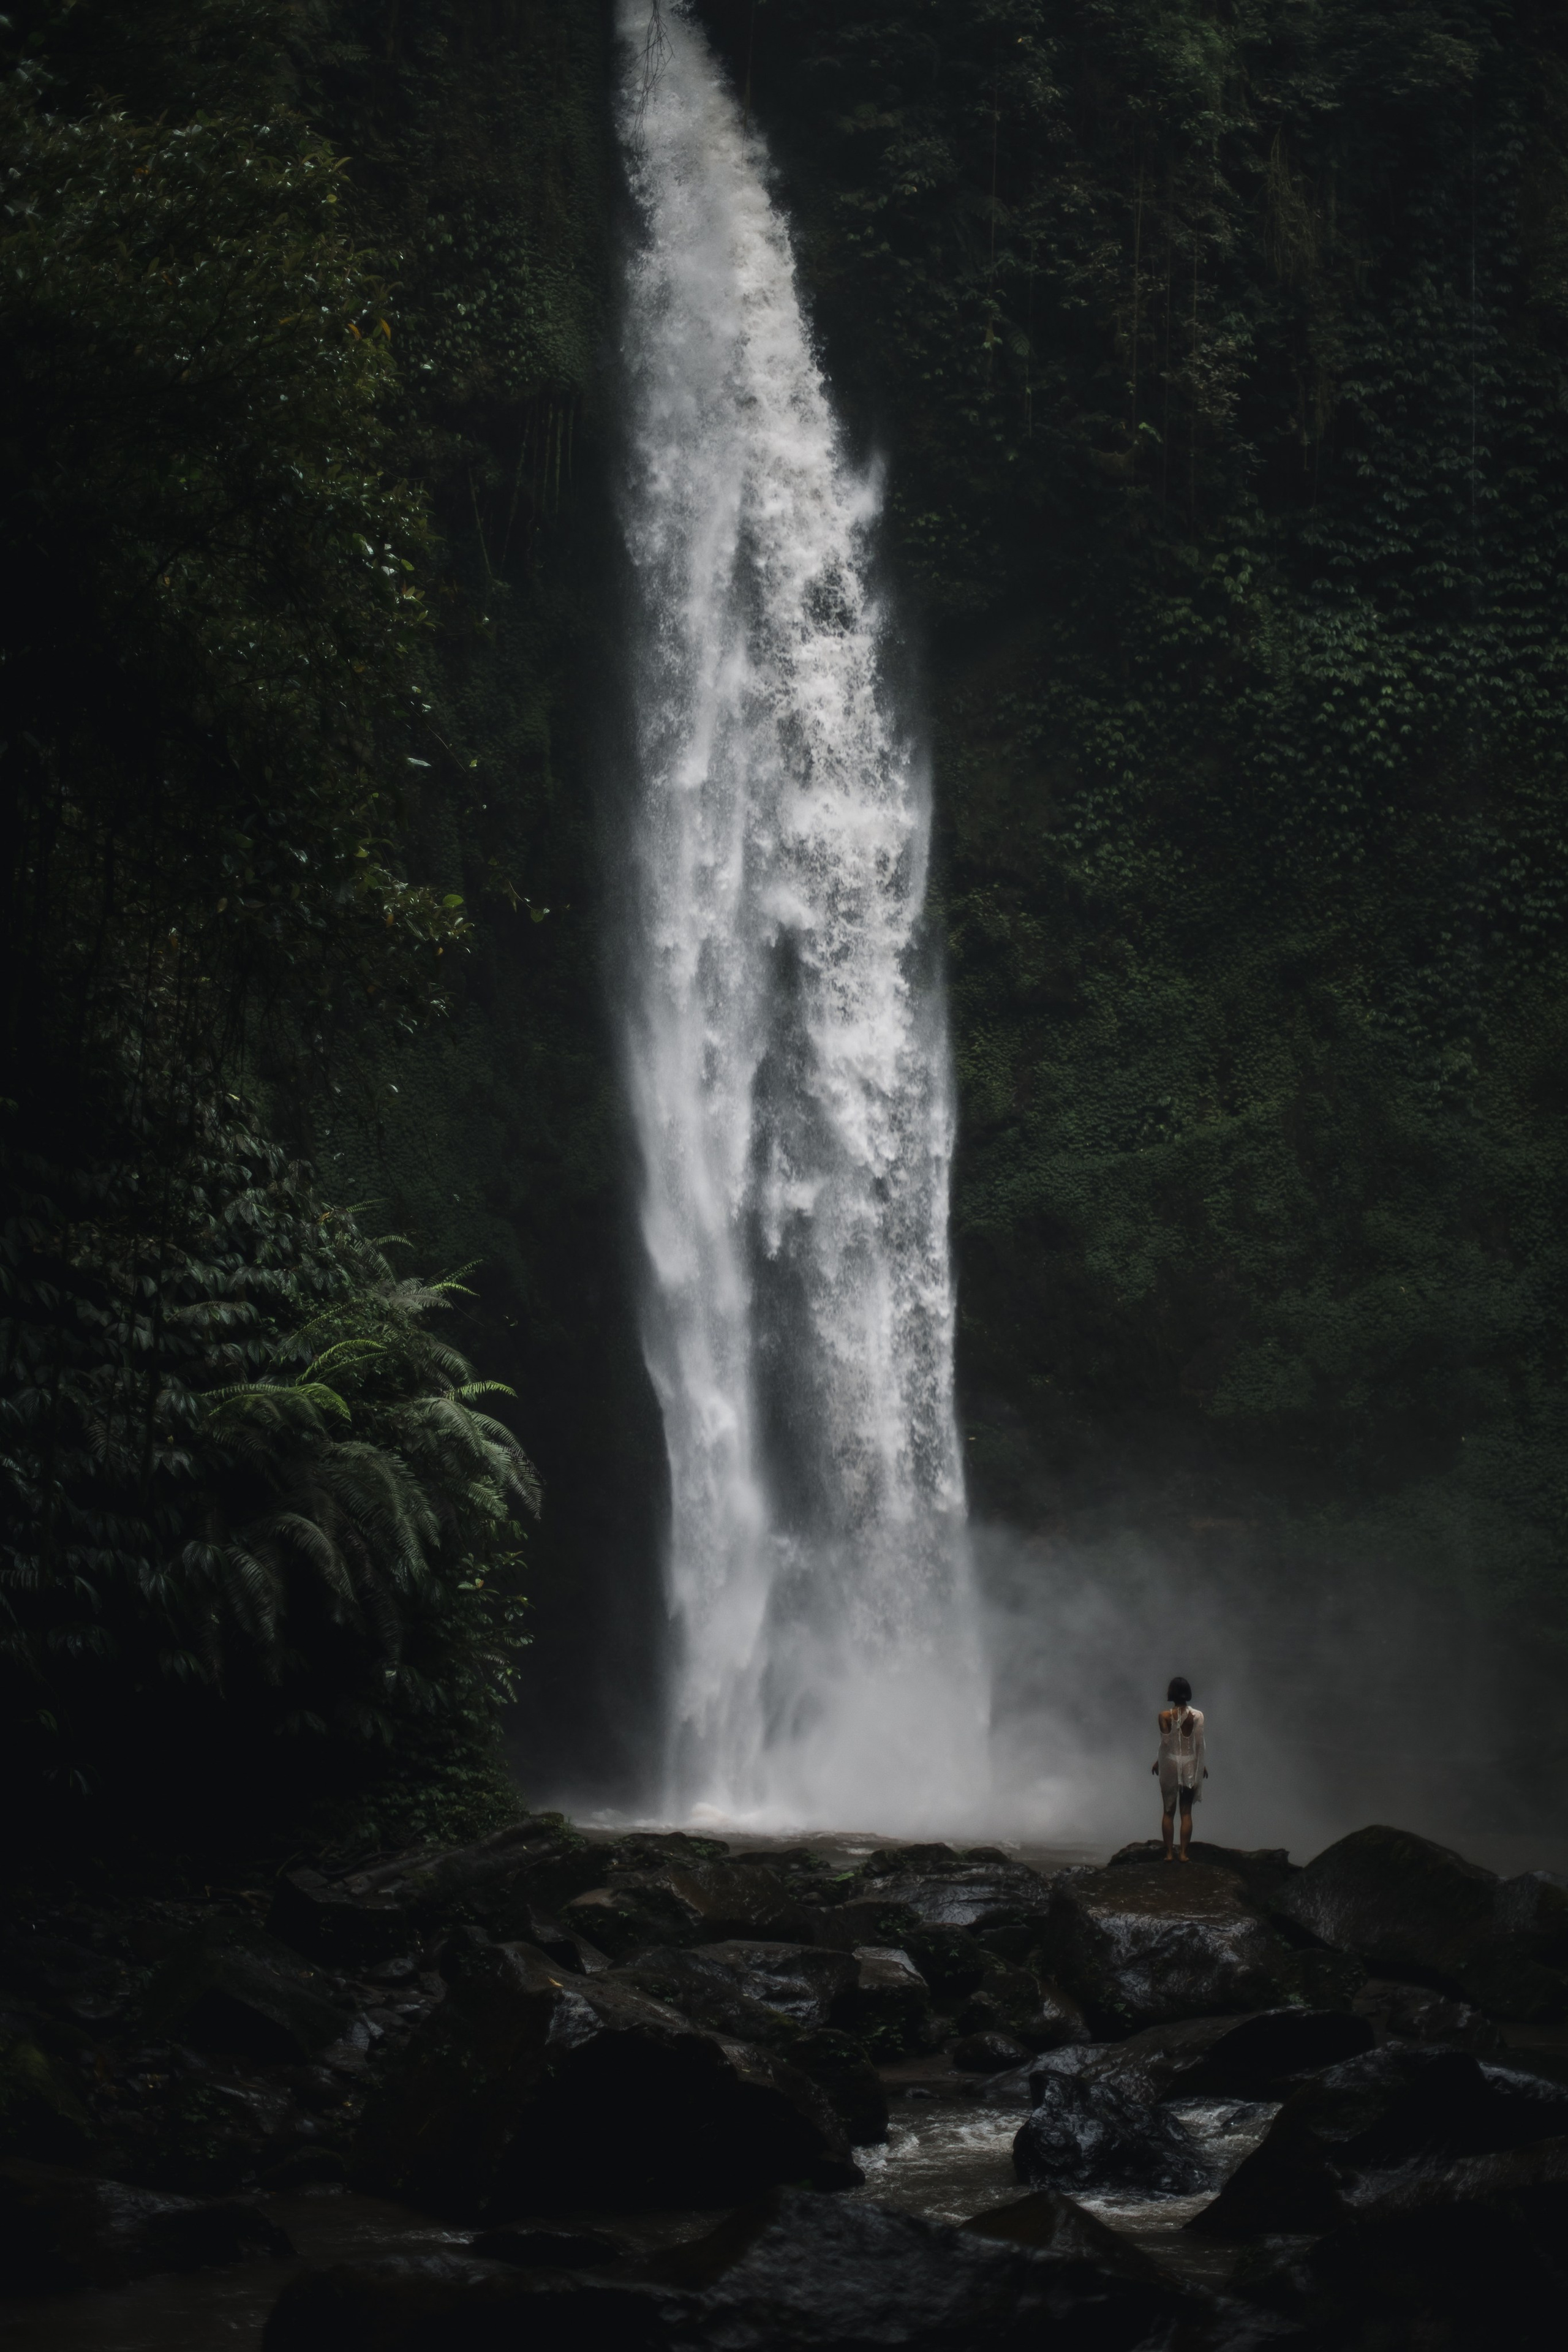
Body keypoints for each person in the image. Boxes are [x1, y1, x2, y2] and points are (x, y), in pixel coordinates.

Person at [1152, 1675, 1207, 1860]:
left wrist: (1159, 1762)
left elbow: (1165, 1744)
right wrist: (1202, 1766)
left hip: (1171, 1764)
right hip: (1190, 1764)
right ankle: (1183, 1854)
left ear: (1172, 1693)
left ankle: (1169, 1854)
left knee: (1168, 1811)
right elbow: (1199, 1744)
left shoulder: (1164, 1716)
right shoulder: (1198, 1716)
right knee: (1186, 1812)